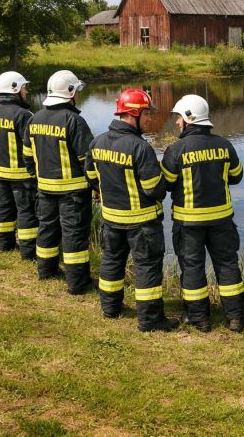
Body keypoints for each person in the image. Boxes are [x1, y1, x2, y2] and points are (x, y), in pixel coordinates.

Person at [85, 89, 179, 332]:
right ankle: (150, 319)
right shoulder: (140, 148)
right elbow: (154, 190)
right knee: (147, 268)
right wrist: (164, 176)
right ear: (134, 114)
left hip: (111, 219)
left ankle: (110, 307)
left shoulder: (98, 142)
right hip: (142, 224)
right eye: (147, 114)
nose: (150, 119)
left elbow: (92, 176)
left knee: (111, 262)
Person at [160, 94, 244, 333]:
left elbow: (165, 183)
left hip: (189, 223)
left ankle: (200, 319)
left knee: (192, 268)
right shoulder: (225, 145)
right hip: (222, 221)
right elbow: (236, 176)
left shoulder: (175, 150)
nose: (177, 122)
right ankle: (236, 318)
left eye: (179, 117)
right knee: (228, 265)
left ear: (189, 118)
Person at [22, 70, 94, 294]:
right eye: (77, 91)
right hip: (73, 192)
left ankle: (46, 270)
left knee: (47, 229)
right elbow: (88, 160)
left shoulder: (35, 118)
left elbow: (27, 155)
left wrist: (37, 178)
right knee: (73, 235)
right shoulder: (74, 121)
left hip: (44, 188)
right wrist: (96, 186)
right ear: (70, 92)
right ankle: (77, 282)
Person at [0, 71, 38, 257]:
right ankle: (28, 250)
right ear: (15, 89)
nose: (26, 91)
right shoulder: (24, 114)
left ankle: (4, 243)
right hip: (22, 174)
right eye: (24, 87)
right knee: (26, 211)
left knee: (3, 207)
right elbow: (33, 145)